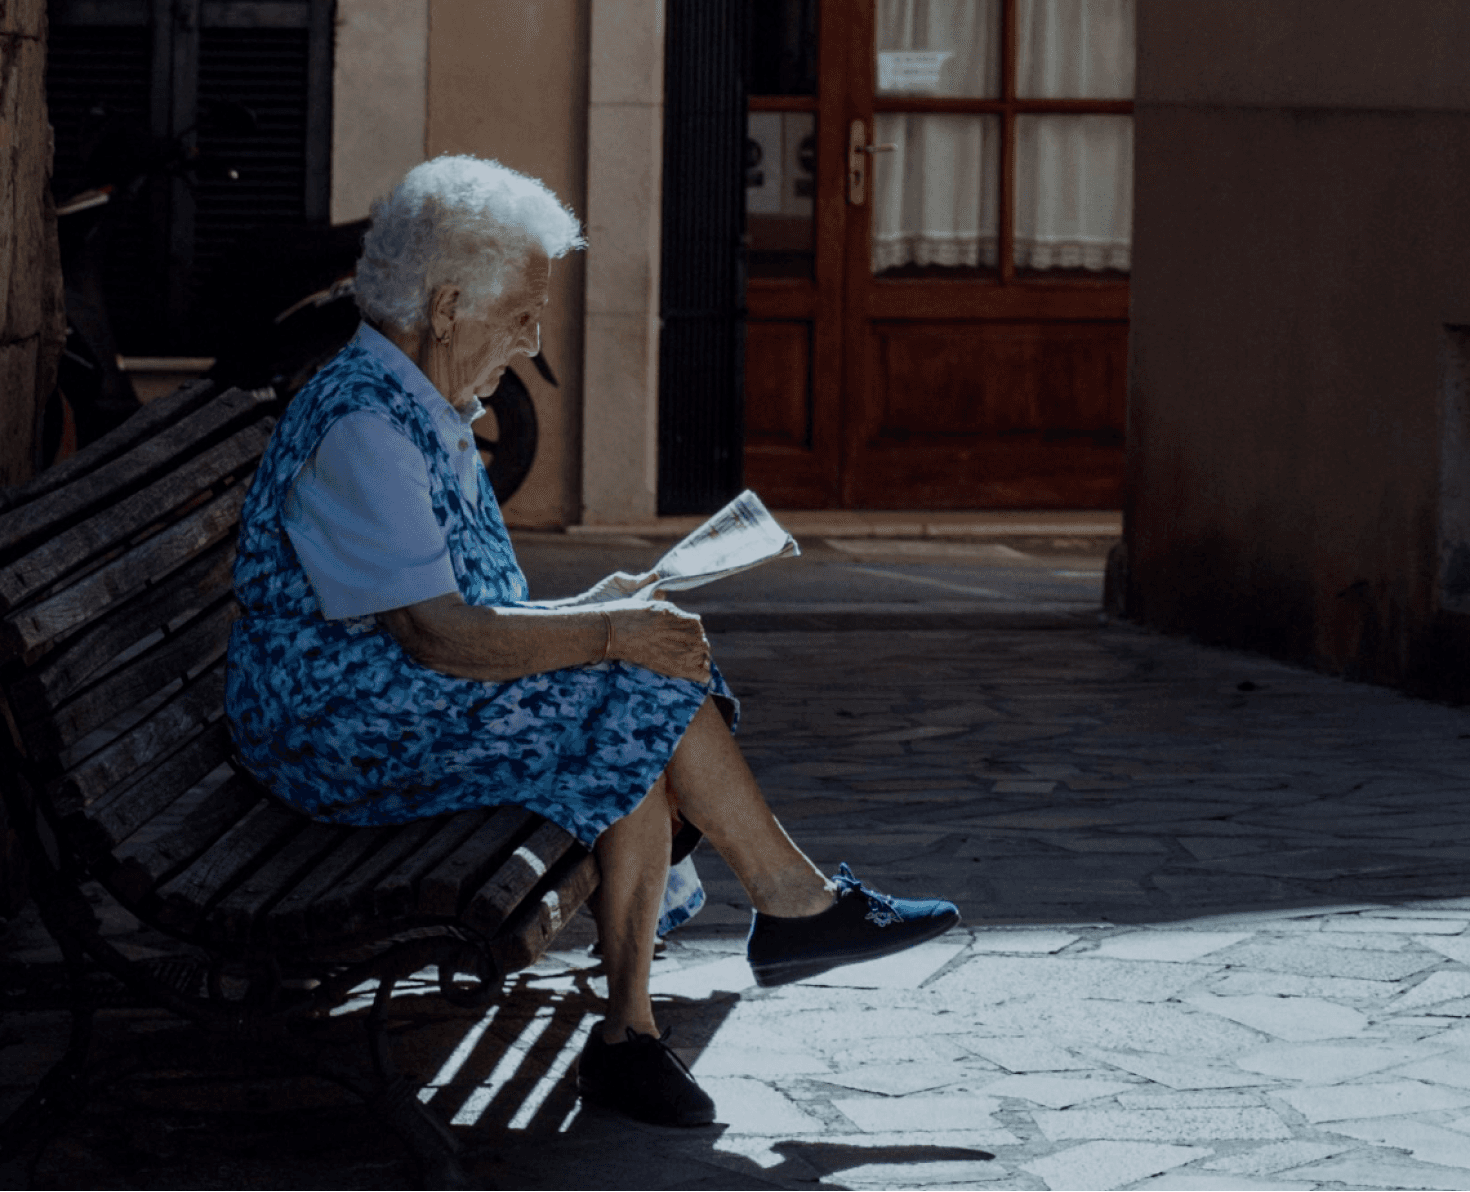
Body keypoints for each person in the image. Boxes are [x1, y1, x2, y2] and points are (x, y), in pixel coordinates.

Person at [223, 155, 959, 1127]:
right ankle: (770, 920)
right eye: (520, 313)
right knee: (638, 684)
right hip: (335, 735)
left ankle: (656, 1012)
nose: (530, 340)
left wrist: (604, 612)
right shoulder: (367, 424)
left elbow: (447, 613)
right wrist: (606, 628)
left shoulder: (410, 398)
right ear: (446, 307)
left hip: (382, 696)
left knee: (636, 676)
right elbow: (441, 635)